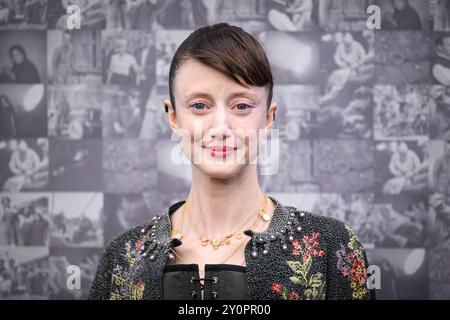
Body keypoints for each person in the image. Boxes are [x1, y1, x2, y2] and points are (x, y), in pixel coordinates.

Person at [89, 23, 375, 300]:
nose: (221, 127)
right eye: (199, 106)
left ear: (268, 117)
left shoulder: (331, 247)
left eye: (241, 106)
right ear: (173, 116)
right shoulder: (122, 257)